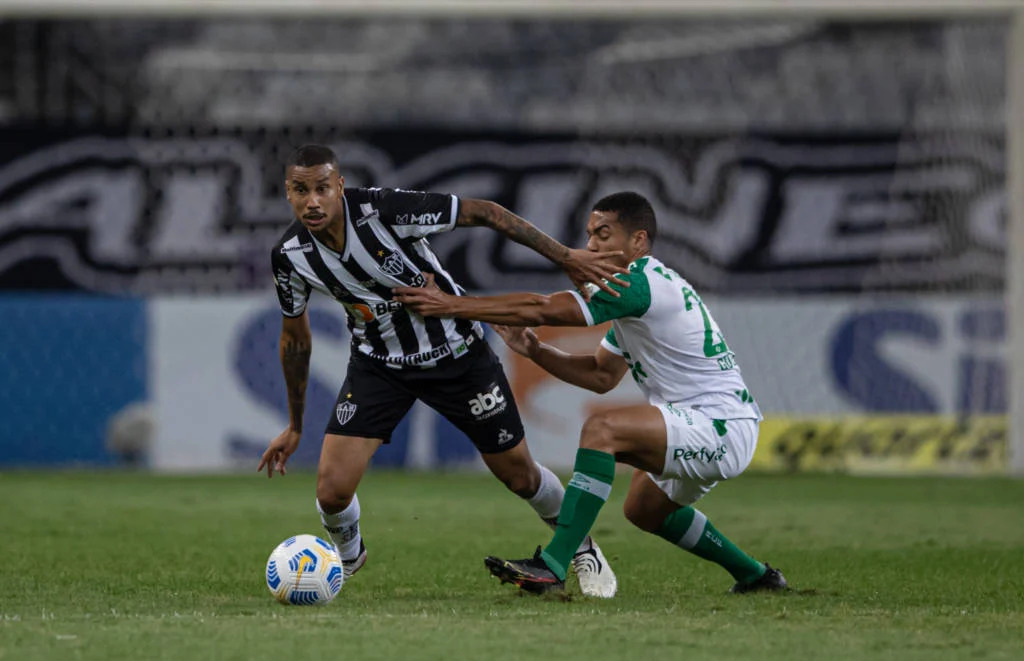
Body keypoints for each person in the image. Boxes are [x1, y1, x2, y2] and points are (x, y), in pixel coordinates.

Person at [258, 144, 626, 597]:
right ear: (287, 193)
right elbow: (295, 337)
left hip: (458, 355)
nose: (312, 201)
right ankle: (347, 557)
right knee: (331, 491)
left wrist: (566, 257)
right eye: (300, 190)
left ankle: (581, 545)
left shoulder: (384, 210)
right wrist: (295, 426)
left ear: (340, 187)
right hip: (379, 365)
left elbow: (487, 212)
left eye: (321, 188)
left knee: (520, 476)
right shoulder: (290, 256)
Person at [393, 190, 788, 595]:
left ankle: (552, 564)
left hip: (721, 426)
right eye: (589, 235)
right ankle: (758, 576)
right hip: (706, 423)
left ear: (638, 241)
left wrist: (452, 304)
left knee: (603, 430)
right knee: (643, 511)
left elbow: (545, 307)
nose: (591, 246)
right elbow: (601, 375)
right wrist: (535, 350)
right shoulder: (639, 294)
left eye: (603, 234)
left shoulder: (638, 284)